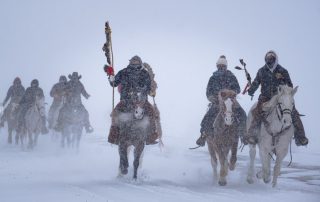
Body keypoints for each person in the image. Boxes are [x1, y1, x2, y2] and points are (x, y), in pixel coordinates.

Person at [244, 50, 308, 146]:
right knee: (257, 111)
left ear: (275, 59)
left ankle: (300, 137)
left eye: (272, 58)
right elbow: (256, 83)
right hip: (265, 98)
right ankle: (252, 135)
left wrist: (283, 88)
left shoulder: (282, 71)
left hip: (279, 97)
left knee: (294, 112)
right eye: (268, 59)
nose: (269, 60)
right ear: (265, 60)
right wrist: (251, 91)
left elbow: (290, 85)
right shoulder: (261, 71)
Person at [105, 55, 158, 145]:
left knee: (152, 113)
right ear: (130, 62)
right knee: (115, 114)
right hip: (127, 100)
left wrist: (152, 90)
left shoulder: (144, 73)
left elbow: (149, 88)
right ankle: (114, 137)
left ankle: (150, 137)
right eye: (133, 62)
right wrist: (111, 76)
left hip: (140, 101)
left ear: (140, 63)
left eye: (136, 62)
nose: (135, 63)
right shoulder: (123, 72)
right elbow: (114, 83)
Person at [196, 55, 247, 146]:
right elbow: (208, 92)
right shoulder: (213, 78)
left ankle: (243, 134)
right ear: (217, 66)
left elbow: (237, 89)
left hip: (231, 101)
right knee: (208, 117)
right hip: (217, 102)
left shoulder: (231, 77)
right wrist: (214, 99)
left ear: (226, 67)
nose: (221, 68)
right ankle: (203, 135)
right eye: (219, 66)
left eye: (223, 66)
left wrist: (230, 94)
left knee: (242, 114)